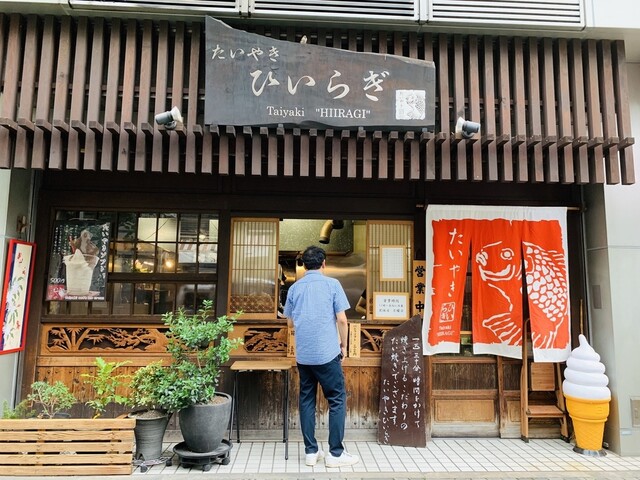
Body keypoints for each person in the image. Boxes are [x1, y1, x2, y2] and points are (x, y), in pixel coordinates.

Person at [284, 246, 360, 468]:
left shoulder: (294, 289)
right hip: (327, 354)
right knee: (336, 399)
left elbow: (290, 323)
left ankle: (311, 452)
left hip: (304, 355)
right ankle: (335, 453)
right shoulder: (332, 285)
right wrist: (344, 345)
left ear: (304, 265)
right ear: (324, 263)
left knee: (306, 399)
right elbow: (342, 320)